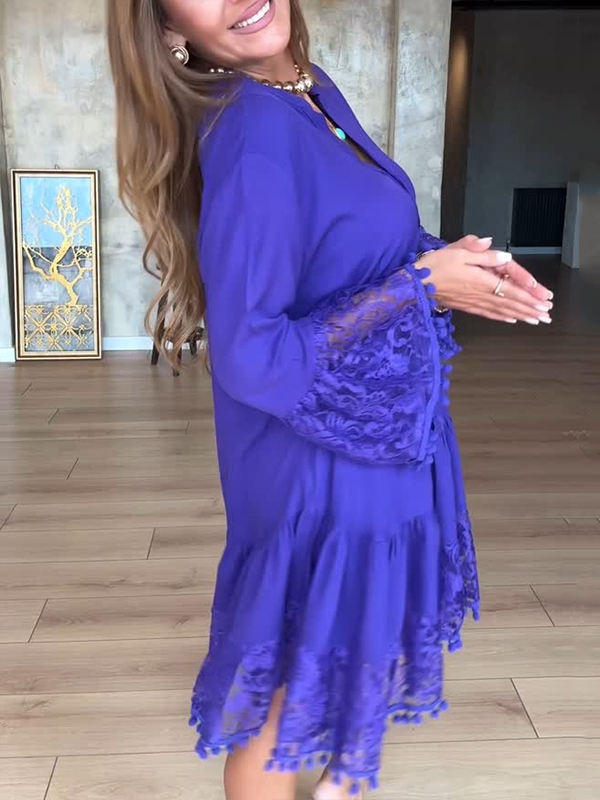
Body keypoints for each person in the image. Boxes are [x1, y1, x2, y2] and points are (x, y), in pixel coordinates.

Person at [107, 1, 554, 798]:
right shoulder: (254, 130)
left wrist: (449, 264)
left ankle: (342, 787)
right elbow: (252, 357)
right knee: (284, 700)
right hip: (321, 467)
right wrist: (421, 285)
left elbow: (354, 249)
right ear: (170, 30)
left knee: (362, 646)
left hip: (381, 428)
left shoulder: (304, 86)